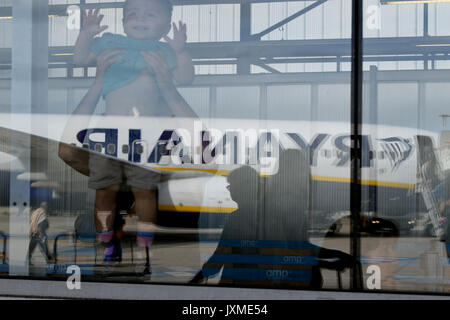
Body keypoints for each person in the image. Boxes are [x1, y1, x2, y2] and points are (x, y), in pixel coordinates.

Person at [69, 0, 198, 273]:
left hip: (146, 136)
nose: (140, 19)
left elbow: (186, 78)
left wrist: (181, 51)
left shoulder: (164, 51)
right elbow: (79, 59)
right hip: (110, 134)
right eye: (132, 14)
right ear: (123, 20)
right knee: (105, 191)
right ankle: (107, 244)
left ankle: (144, 246)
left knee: (145, 192)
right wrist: (87, 33)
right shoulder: (111, 43)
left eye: (151, 15)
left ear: (165, 25)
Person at [190, 150, 355, 288]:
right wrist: (327, 261)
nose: (230, 191)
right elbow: (286, 253)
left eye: (232, 186)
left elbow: (289, 250)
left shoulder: (252, 218)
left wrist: (328, 257)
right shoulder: (251, 218)